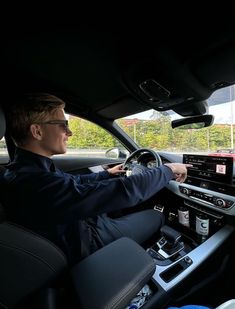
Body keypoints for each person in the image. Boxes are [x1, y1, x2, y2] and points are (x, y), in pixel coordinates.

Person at [1, 93, 191, 265]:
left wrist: (106, 174)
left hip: (77, 228)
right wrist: (168, 169)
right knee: (156, 216)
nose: (69, 133)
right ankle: (138, 263)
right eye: (63, 125)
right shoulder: (36, 182)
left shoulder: (26, 171)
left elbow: (72, 183)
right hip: (85, 243)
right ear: (37, 131)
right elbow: (124, 191)